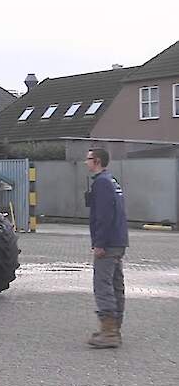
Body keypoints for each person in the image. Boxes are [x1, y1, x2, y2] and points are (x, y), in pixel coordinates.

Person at [84, 147, 128, 349]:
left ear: (97, 161)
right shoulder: (112, 180)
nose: (86, 162)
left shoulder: (101, 183)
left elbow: (103, 215)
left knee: (103, 285)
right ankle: (114, 328)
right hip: (119, 240)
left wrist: (99, 243)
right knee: (116, 284)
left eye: (89, 159)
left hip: (108, 243)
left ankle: (109, 332)